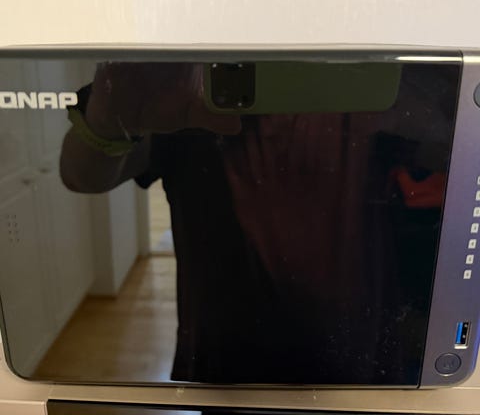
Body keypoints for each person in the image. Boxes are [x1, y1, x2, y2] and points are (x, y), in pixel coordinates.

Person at [60, 61, 455, 384]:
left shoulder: (359, 84)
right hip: (234, 370)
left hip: (350, 367)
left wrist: (455, 109)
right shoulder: (190, 88)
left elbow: (444, 158)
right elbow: (80, 175)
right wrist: (108, 120)